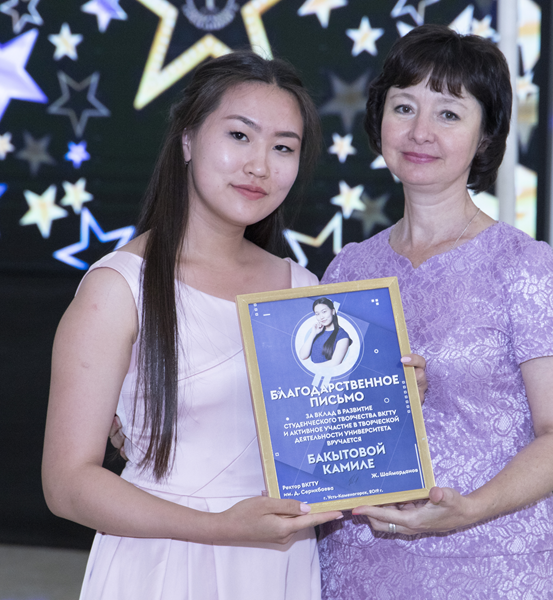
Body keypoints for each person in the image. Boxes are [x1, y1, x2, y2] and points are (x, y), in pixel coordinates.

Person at [41, 51, 348, 600]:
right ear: (187, 139)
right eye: (239, 136)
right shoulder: (119, 287)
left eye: (283, 147)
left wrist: (391, 392)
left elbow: (326, 449)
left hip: (279, 566)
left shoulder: (304, 289)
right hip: (162, 564)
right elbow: (66, 484)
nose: (260, 165)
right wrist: (221, 527)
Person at [316, 25, 553, 599]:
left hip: (494, 564)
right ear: (379, 120)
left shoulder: (524, 267)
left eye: (448, 113)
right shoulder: (347, 270)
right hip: (359, 564)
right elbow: (324, 424)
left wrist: (469, 508)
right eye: (404, 107)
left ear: (485, 135)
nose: (420, 131)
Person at [297, 297, 353, 366]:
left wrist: (311, 367)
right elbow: (303, 356)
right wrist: (313, 333)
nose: (321, 317)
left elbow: (335, 363)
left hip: (326, 372)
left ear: (333, 311)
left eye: (324, 312)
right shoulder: (317, 331)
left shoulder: (342, 335)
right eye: (317, 314)